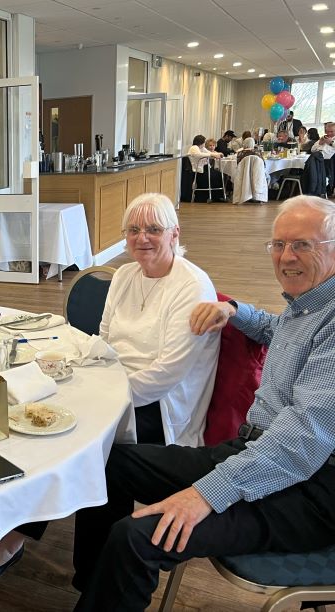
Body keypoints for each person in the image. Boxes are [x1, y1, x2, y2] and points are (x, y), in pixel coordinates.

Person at [71, 195, 335, 611]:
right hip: (255, 452)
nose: (286, 257)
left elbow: (301, 443)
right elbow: (276, 328)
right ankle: (93, 583)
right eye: (279, 244)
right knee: (106, 461)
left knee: (136, 538)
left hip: (307, 490)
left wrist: (205, 493)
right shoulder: (308, 306)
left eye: (303, 245)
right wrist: (233, 310)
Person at [0, 193, 219, 588]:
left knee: (86, 443)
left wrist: (103, 400)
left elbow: (168, 373)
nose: (143, 238)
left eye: (154, 229)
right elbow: (102, 340)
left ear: (174, 234)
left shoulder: (192, 285)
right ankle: (15, 530)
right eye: (134, 230)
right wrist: (77, 375)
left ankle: (90, 574)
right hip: (114, 385)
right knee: (44, 415)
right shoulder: (125, 276)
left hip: (162, 408)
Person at [187, 135, 225, 202]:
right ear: (200, 142)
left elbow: (209, 153)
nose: (204, 144)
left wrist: (218, 154)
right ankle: (209, 196)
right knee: (214, 176)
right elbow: (199, 155)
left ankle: (218, 196)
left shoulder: (202, 148)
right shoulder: (194, 147)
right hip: (198, 171)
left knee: (220, 175)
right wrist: (212, 155)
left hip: (205, 168)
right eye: (204, 142)